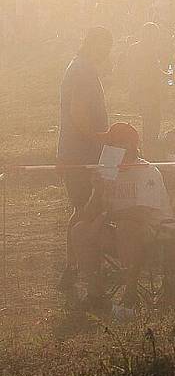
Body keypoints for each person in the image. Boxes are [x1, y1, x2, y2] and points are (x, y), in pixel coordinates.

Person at [71, 123, 175, 310]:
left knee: (128, 226)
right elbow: (87, 215)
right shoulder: (108, 171)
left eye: (113, 143)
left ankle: (130, 292)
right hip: (120, 232)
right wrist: (97, 190)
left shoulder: (146, 171)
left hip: (157, 236)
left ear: (128, 146)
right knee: (80, 230)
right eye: (109, 144)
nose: (108, 148)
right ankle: (95, 294)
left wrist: (105, 217)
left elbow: (141, 213)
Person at [57, 26, 112, 291]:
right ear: (98, 46)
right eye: (107, 48)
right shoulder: (83, 70)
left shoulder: (79, 66)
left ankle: (79, 265)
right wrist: (99, 139)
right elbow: (78, 113)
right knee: (84, 208)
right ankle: (75, 267)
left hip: (79, 151)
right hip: (82, 153)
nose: (108, 54)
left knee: (85, 208)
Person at [126, 22, 168, 153]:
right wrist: (167, 76)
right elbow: (149, 70)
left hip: (145, 88)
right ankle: (150, 144)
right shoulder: (145, 50)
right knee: (152, 117)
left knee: (150, 117)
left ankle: (150, 143)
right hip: (147, 89)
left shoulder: (135, 48)